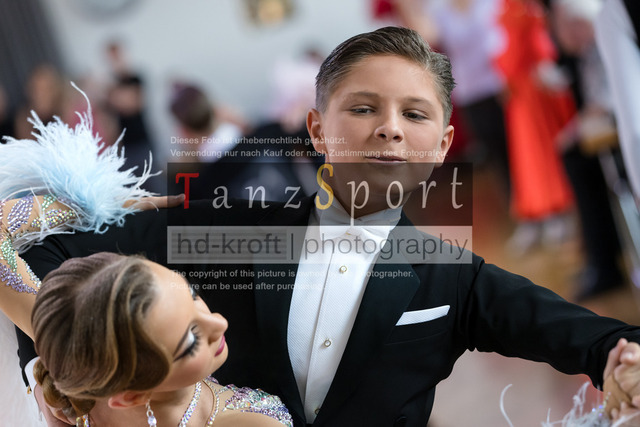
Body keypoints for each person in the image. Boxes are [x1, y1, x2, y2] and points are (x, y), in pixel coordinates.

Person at [14, 26, 640, 426]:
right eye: (363, 108)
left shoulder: (457, 280)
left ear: (443, 144)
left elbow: (599, 339)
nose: (389, 128)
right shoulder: (225, 229)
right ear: (316, 129)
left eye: (414, 114)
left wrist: (623, 363)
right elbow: (47, 251)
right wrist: (63, 367)